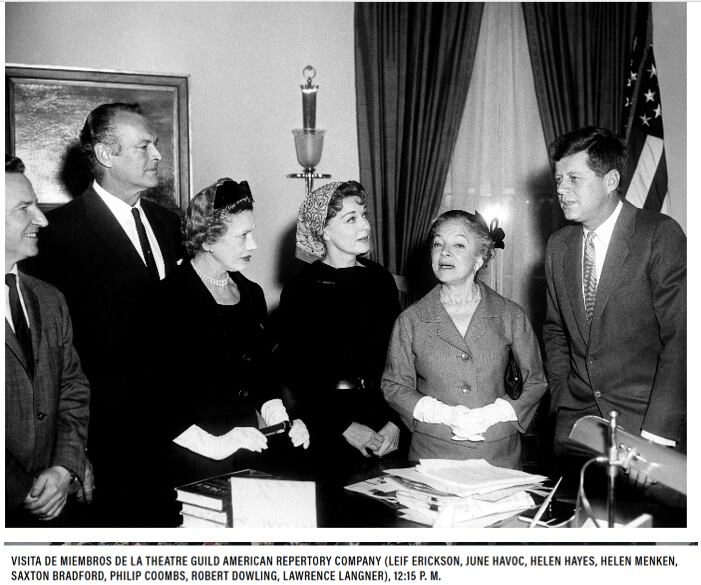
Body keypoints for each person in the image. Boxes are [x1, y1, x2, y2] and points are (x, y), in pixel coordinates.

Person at [22, 103, 183, 526]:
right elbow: (51, 361)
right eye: (144, 146)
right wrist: (74, 454)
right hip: (108, 444)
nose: (157, 155)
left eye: (156, 144)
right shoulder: (60, 234)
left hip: (178, 436)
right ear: (106, 155)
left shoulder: (170, 225)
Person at [152, 178, 310, 524]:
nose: (253, 244)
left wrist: (281, 421)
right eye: (242, 236)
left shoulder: (251, 294)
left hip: (249, 454)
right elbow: (156, 399)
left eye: (252, 232)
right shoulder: (167, 299)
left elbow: (263, 377)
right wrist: (216, 444)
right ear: (208, 239)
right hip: (188, 461)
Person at [543, 127, 686, 485]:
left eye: (574, 179)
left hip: (644, 431)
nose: (561, 190)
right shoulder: (558, 246)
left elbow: (682, 337)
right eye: (558, 179)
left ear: (611, 180)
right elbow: (555, 330)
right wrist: (562, 397)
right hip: (575, 430)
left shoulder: (658, 235)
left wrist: (657, 437)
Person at [382, 210, 547, 469]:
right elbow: (394, 386)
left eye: (458, 245)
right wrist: (442, 414)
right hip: (432, 456)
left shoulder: (510, 315)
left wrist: (495, 414)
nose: (444, 253)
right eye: (438, 244)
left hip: (497, 455)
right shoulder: (410, 320)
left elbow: (535, 382)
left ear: (479, 258)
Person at [277, 180, 403, 480]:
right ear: (324, 231)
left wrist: (396, 422)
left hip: (383, 421)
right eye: (351, 219)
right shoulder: (301, 288)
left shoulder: (381, 280)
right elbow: (296, 373)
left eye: (364, 215)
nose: (365, 226)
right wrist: (343, 427)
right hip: (326, 426)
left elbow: (403, 358)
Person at [5, 155, 91, 526]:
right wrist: (19, 489)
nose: (41, 219)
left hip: (56, 504)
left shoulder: (49, 298)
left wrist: (64, 467)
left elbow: (73, 389)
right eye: (24, 208)